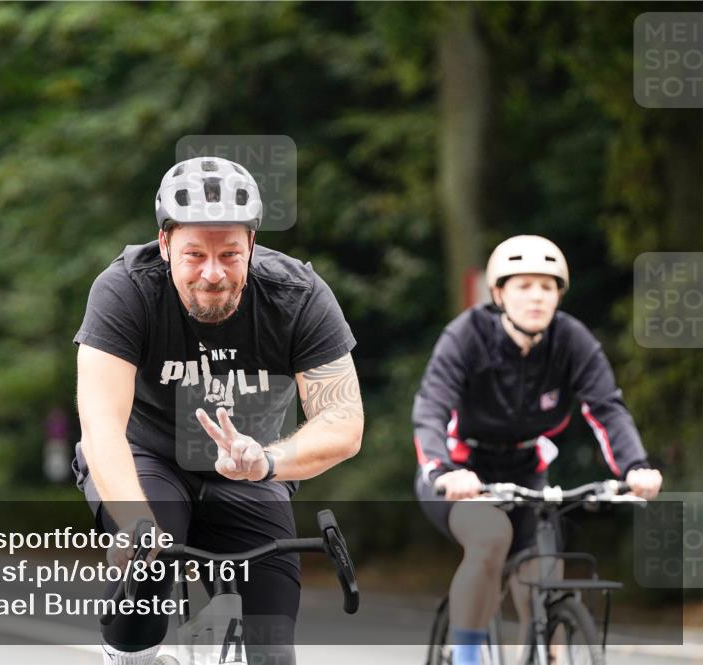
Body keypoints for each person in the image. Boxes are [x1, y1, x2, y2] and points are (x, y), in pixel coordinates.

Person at [73, 156, 363, 665]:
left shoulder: (297, 297)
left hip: (247, 471)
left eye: (230, 254)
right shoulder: (125, 290)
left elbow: (344, 422)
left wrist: (267, 462)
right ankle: (128, 653)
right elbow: (101, 428)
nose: (213, 274)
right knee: (145, 581)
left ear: (252, 244)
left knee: (272, 649)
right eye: (193, 254)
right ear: (164, 245)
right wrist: (136, 524)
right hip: (148, 459)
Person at [412, 235, 663, 665]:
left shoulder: (572, 341)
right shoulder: (467, 336)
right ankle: (466, 654)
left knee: (546, 574)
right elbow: (431, 408)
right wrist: (443, 470)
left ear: (559, 295)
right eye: (523, 285)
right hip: (459, 468)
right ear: (498, 293)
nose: (536, 297)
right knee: (491, 537)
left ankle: (546, 651)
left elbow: (607, 409)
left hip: (527, 470)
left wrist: (636, 468)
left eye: (547, 287)